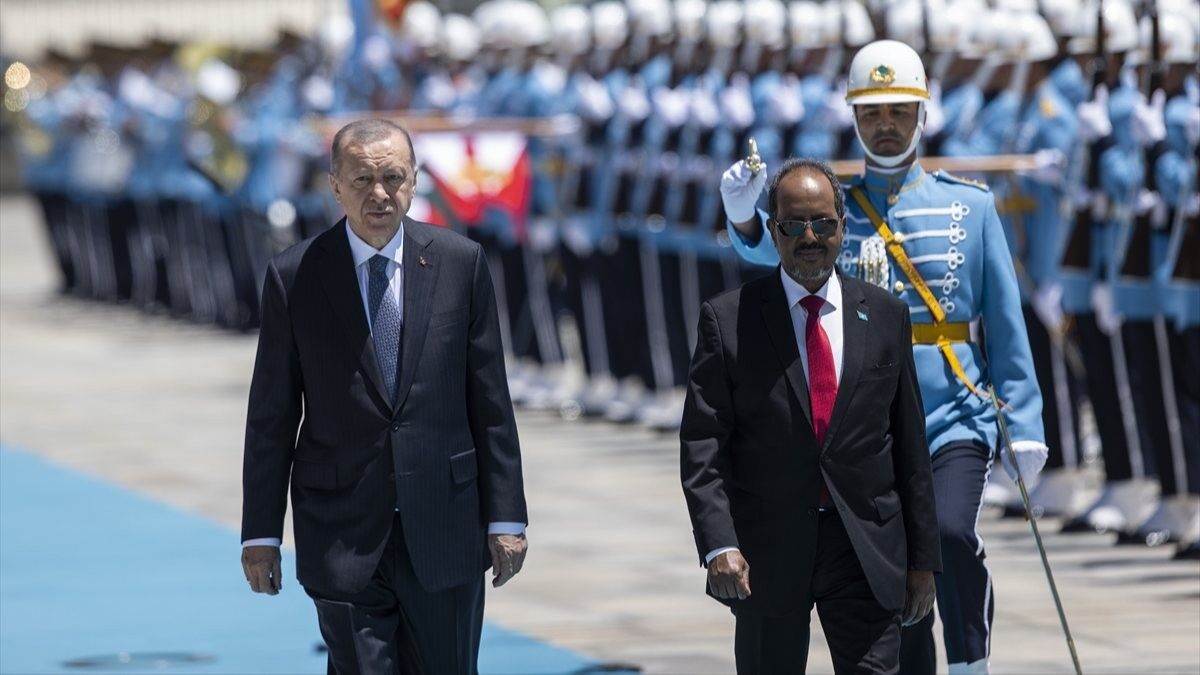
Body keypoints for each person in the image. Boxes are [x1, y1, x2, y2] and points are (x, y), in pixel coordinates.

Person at [719, 40, 1047, 674]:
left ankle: (970, 663)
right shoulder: (837, 208)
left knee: (950, 532)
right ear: (853, 118)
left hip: (952, 411)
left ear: (923, 113)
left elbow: (1005, 323)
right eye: (871, 112)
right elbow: (776, 258)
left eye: (899, 110)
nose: (886, 124)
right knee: (891, 560)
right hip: (870, 421)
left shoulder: (970, 206)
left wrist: (1025, 420)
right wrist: (747, 219)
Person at [240, 119, 528, 674]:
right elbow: (272, 416)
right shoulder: (295, 275)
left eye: (393, 177)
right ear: (334, 185)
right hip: (342, 532)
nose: (379, 193)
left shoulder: (460, 262)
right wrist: (261, 532)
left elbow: (490, 402)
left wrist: (506, 518)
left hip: (444, 526)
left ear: (414, 181)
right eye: (362, 179)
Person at [681, 157, 940, 674]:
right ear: (773, 230)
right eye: (793, 224)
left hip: (864, 546)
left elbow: (910, 445)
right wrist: (719, 544)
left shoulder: (885, 315)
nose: (809, 237)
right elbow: (703, 446)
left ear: (842, 226)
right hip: (768, 552)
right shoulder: (728, 320)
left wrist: (922, 561)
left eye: (822, 223)